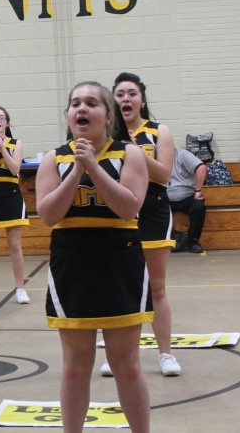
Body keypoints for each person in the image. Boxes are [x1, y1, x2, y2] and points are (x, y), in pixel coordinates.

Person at [36, 82, 151, 433]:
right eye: (75, 104)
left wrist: (94, 167)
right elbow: (48, 215)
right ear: (69, 115)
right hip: (72, 263)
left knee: (126, 364)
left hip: (120, 261)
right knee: (75, 365)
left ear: (108, 115)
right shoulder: (53, 159)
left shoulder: (129, 155)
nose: (81, 109)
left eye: (90, 103)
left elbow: (129, 206)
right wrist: (76, 171)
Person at [108, 72, 179, 378]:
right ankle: (118, 356)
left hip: (154, 212)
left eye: (132, 93)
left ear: (142, 99)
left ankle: (165, 354)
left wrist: (133, 150)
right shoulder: (106, 136)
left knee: (157, 287)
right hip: (120, 214)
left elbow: (163, 175)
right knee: (120, 287)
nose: (126, 98)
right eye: (120, 94)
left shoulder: (159, 131)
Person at [0, 106, 29, 304]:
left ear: (7, 123)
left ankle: (20, 289)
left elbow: (14, 168)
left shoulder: (16, 143)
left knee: (15, 245)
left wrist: (3, 148)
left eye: (1, 117)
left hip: (11, 196)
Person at [167, 148, 208, 254]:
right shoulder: (154, 156)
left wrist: (198, 190)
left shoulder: (182, 155)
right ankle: (174, 238)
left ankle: (192, 241)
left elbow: (201, 168)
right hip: (164, 198)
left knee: (199, 207)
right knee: (151, 207)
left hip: (188, 196)